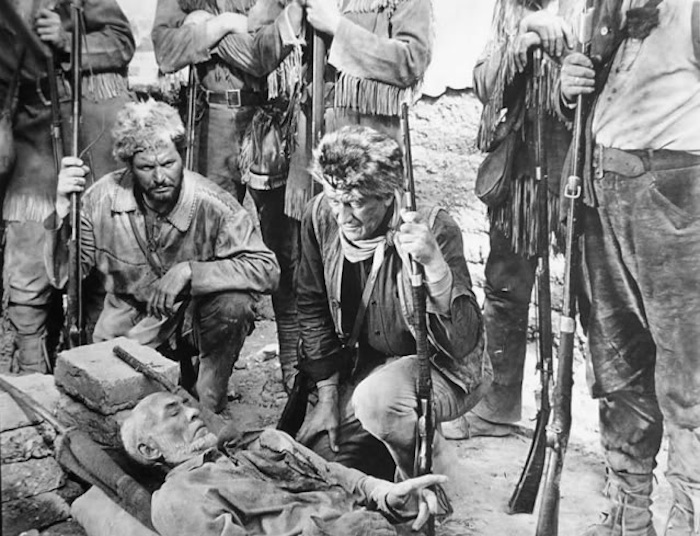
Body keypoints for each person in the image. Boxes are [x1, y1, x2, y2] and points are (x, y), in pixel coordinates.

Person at [558, 0, 700, 533]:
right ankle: (628, 516)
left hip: (677, 207)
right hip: (603, 201)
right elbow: (593, 108)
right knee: (618, 363)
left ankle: (689, 518)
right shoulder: (612, 11)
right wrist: (568, 87)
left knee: (689, 373)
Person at [45, 100, 280, 413]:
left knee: (233, 305)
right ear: (129, 167)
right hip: (127, 328)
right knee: (116, 412)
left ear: (181, 155)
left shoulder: (213, 204)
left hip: (189, 322)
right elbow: (63, 275)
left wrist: (190, 271)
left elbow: (267, 269)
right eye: (146, 168)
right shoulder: (102, 199)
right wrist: (62, 211)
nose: (159, 177)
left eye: (168, 163)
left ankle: (209, 397)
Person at [294, 125, 491, 481]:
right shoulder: (319, 215)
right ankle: (399, 437)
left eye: (355, 203)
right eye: (335, 200)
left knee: (378, 403)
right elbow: (312, 306)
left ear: (387, 196)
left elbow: (462, 343)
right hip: (366, 369)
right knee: (320, 460)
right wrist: (327, 397)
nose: (342, 216)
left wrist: (435, 265)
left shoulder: (434, 229)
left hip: (440, 370)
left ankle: (429, 470)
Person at [151, 0, 305, 390]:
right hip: (213, 120)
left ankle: (294, 361)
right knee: (203, 242)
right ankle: (201, 367)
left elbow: (264, 56)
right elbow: (166, 51)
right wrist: (228, 24)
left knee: (284, 246)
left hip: (273, 120)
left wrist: (206, 31)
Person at [443, 1, 575, 438]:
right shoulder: (513, 8)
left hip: (579, 161)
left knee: (596, 298)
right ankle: (496, 409)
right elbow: (485, 82)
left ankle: (620, 446)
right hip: (520, 168)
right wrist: (523, 38)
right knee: (504, 286)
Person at [0, 0, 134, 373]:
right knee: (28, 271)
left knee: (97, 266)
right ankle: (32, 374)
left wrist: (67, 41)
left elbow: (122, 42)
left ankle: (96, 367)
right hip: (28, 143)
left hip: (86, 138)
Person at [121, 391, 447, 536]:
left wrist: (383, 492)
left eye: (186, 405)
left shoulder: (260, 441)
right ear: (149, 449)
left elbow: (331, 472)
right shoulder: (178, 497)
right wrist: (329, 533)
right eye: (174, 413)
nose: (193, 412)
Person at [284, 0, 434, 222]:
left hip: (365, 144)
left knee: (370, 230)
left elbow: (411, 61)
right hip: (311, 136)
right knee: (312, 228)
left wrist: (338, 27)